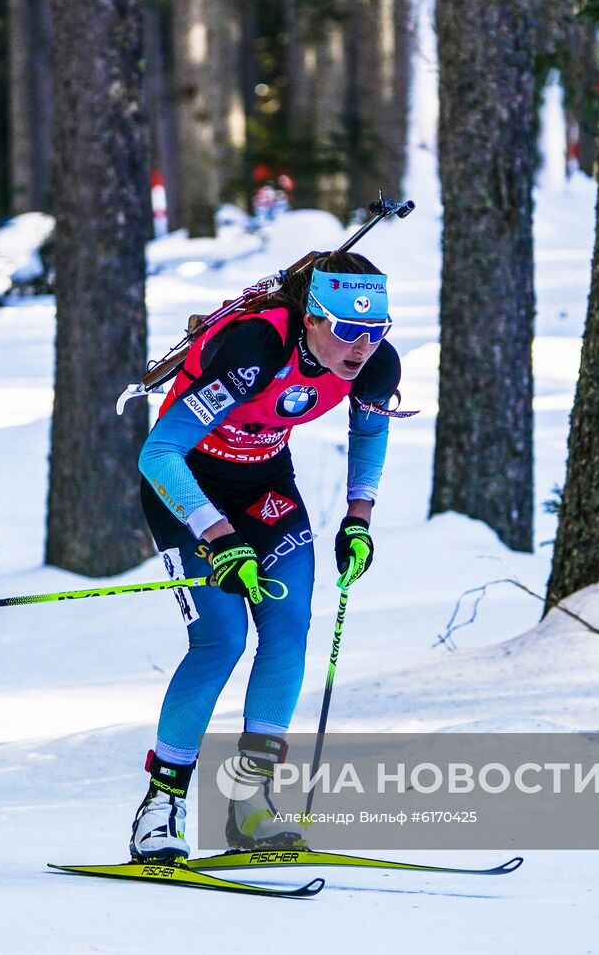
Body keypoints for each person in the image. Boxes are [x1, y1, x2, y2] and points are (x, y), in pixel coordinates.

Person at [130, 250, 402, 862]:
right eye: (348, 331)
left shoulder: (375, 365)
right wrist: (219, 536)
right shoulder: (254, 348)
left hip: (265, 487)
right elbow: (158, 454)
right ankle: (162, 804)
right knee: (221, 639)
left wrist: (358, 521)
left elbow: (370, 434)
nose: (362, 348)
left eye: (375, 331)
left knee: (286, 632)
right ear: (310, 318)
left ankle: (249, 803)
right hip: (186, 490)